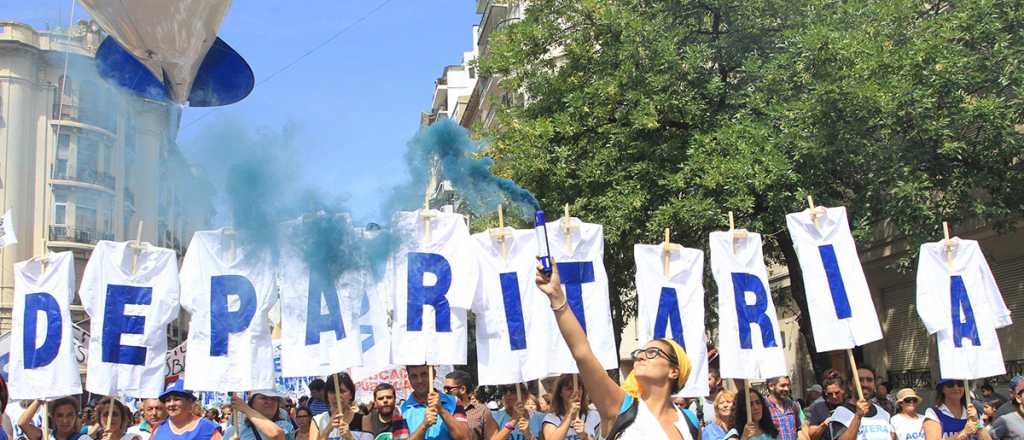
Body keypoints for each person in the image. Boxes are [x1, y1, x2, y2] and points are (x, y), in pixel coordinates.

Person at [535, 261, 699, 439]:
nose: (641, 356)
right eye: (639, 353)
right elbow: (582, 352)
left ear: (674, 371)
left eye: (652, 353)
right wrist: (558, 298)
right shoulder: (621, 407)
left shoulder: (689, 420)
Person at [400, 365, 468, 440]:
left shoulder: (454, 402)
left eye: (424, 374)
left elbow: (465, 437)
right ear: (409, 378)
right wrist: (424, 425)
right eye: (414, 376)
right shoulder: (402, 410)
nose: (419, 380)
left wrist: (441, 410)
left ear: (433, 374)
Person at [826, 366, 894, 440]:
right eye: (860, 380)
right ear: (850, 385)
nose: (865, 384)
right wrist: (858, 416)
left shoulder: (884, 414)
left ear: (874, 385)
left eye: (869, 380)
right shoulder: (841, 413)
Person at [151, 378, 223, 440]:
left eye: (177, 399)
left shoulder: (207, 428)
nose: (171, 404)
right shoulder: (159, 428)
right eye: (168, 400)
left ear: (190, 401)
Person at [924, 379, 991, 440]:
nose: (956, 388)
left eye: (960, 384)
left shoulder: (972, 411)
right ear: (942, 389)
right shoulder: (934, 413)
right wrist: (964, 433)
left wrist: (977, 423)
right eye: (950, 384)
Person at [541, 375, 600, 440]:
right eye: (569, 388)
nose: (575, 392)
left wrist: (585, 436)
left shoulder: (594, 416)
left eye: (579, 387)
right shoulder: (551, 418)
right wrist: (570, 414)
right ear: (560, 393)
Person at [444, 371, 497, 440]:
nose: (445, 392)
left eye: (448, 389)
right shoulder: (442, 410)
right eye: (444, 389)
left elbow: (493, 437)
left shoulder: (482, 411)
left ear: (462, 389)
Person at [310, 374, 362, 440]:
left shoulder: (363, 420)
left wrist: (350, 438)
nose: (337, 396)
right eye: (332, 392)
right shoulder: (318, 421)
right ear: (327, 395)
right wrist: (327, 430)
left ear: (351, 394)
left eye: (342, 391)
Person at [223, 391, 293, 440]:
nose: (269, 402)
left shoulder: (285, 426)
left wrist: (246, 409)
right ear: (252, 402)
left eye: (274, 398)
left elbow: (277, 435)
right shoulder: (233, 431)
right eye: (263, 398)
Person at [18, 398, 91, 440]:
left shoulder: (84, 439)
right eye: (60, 415)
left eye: (69, 415)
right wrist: (39, 400)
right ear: (53, 417)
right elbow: (22, 423)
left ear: (76, 416)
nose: (65, 420)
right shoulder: (45, 435)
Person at [808, 375, 847, 440]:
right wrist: (823, 425)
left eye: (837, 393)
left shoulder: (849, 406)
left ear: (843, 390)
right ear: (825, 392)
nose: (834, 396)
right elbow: (812, 436)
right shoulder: (818, 408)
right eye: (830, 394)